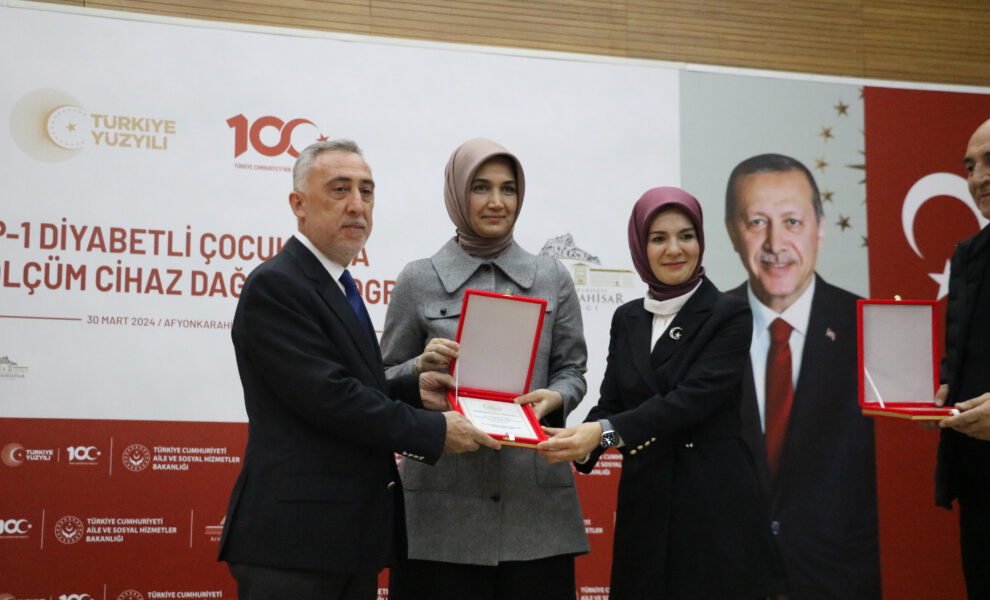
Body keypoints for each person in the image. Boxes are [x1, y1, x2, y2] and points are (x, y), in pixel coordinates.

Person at [217, 140, 500, 600]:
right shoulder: (277, 285)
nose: (357, 205)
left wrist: (413, 390)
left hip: (344, 540)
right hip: (294, 543)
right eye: (339, 189)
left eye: (366, 192)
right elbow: (330, 398)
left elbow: (352, 386)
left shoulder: (337, 284)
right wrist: (433, 430)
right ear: (298, 204)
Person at [537, 187, 784, 599]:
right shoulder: (628, 318)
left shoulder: (729, 312)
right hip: (647, 504)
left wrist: (603, 433)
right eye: (658, 238)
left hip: (713, 507)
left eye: (686, 236)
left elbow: (688, 401)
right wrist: (577, 443)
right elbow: (612, 402)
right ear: (640, 246)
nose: (674, 249)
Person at [380, 138, 589, 600]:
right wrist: (419, 365)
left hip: (535, 513)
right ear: (458, 194)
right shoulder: (418, 279)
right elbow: (382, 379)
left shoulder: (552, 277)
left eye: (508, 189)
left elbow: (573, 371)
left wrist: (555, 397)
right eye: (481, 187)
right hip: (441, 513)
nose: (497, 201)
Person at [724, 153, 881, 599]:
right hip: (730, 581)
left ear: (820, 228)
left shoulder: (871, 329)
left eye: (792, 222)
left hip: (843, 584)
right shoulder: (703, 330)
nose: (775, 243)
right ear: (732, 231)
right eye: (757, 222)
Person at [933, 115, 990, 599]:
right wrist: (941, 395)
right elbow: (962, 352)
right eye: (970, 166)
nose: (978, 178)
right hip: (984, 490)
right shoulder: (970, 256)